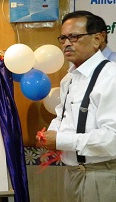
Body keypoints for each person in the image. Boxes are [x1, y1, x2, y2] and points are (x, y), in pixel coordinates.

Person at [38, 10, 116, 202]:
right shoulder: (68, 79)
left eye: (74, 37)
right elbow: (61, 116)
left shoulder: (111, 77)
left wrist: (61, 140)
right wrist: (49, 135)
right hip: (73, 174)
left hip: (103, 175)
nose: (66, 43)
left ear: (97, 39)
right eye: (63, 38)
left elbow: (112, 139)